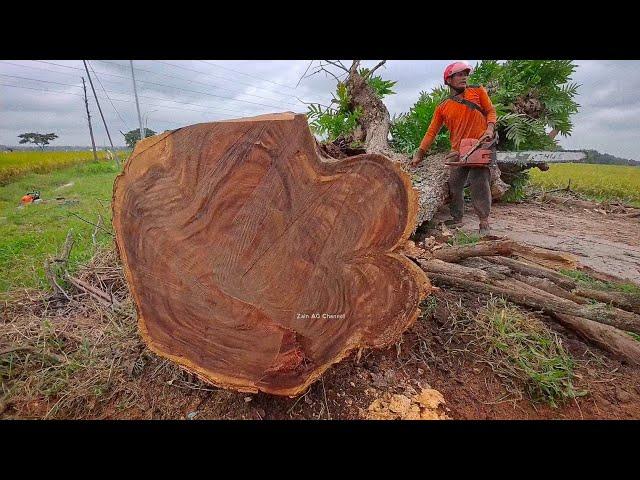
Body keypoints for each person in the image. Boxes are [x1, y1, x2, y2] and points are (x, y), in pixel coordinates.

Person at [410, 61, 497, 236]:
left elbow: (491, 111)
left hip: (481, 144)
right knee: (455, 184)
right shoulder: (443, 106)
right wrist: (420, 153)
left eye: (465, 74)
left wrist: (490, 128)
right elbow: (431, 131)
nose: (464, 77)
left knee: (479, 181)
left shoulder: (477, 91)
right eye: (459, 74)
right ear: (448, 80)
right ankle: (457, 218)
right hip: (459, 150)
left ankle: (484, 222)